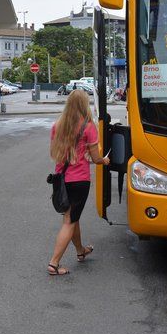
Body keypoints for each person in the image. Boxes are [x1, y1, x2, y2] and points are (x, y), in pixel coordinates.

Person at [46, 89, 109, 276]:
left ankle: (80, 251)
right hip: (79, 180)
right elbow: (97, 158)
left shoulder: (57, 125)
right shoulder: (88, 127)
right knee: (69, 221)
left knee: (72, 217)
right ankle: (54, 264)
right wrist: (104, 160)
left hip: (61, 179)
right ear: (84, 104)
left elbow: (57, 153)